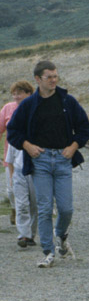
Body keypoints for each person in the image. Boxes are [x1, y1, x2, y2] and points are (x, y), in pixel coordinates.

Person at [7, 60, 89, 268]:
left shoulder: (67, 102)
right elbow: (13, 132)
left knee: (66, 209)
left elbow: (84, 128)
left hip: (63, 160)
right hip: (40, 162)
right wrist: (27, 146)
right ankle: (48, 252)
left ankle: (61, 235)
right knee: (45, 209)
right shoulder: (28, 105)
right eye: (49, 77)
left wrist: (73, 147)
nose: (54, 80)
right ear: (38, 79)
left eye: (56, 76)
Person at [0, 80, 35, 225]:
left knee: (33, 191)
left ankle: (29, 220)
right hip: (12, 155)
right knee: (11, 189)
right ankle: (16, 209)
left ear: (29, 94)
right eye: (14, 94)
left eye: (19, 94)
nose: (16, 97)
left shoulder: (36, 107)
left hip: (33, 155)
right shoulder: (8, 108)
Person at [5, 143, 37, 248]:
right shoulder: (15, 139)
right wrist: (11, 177)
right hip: (19, 173)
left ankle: (31, 234)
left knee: (34, 205)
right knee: (22, 204)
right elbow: (9, 160)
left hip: (35, 172)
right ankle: (24, 235)